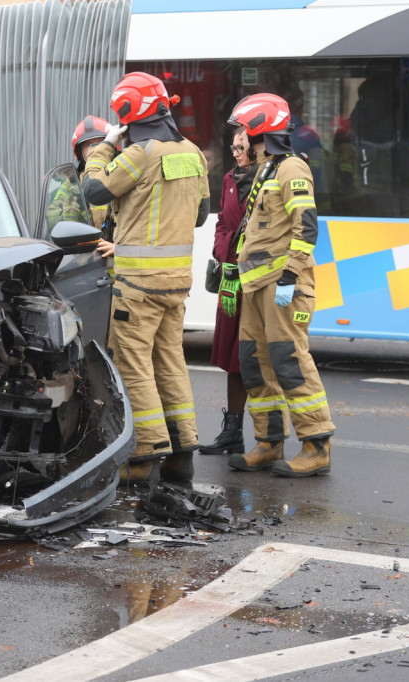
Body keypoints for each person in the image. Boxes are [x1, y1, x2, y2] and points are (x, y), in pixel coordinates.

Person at [82, 72, 209, 485]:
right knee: (171, 362)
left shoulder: (138, 153)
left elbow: (94, 191)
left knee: (134, 365)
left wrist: (104, 145)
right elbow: (203, 214)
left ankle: (146, 454)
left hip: (138, 285)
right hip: (177, 283)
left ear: (126, 113)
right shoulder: (193, 152)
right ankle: (182, 453)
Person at [224, 93, 335, 477]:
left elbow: (306, 226)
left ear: (258, 129)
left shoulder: (291, 169)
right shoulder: (267, 169)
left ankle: (316, 444)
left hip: (283, 284)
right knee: (256, 365)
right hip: (256, 285)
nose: (239, 140)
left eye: (242, 130)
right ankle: (269, 443)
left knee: (289, 361)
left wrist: (290, 273)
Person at [200, 128, 255, 456]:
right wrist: (224, 252)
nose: (236, 153)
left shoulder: (269, 180)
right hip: (232, 282)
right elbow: (222, 222)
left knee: (252, 359)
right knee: (233, 360)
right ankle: (232, 431)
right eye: (233, 147)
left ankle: (268, 438)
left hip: (258, 283)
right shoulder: (230, 180)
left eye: (242, 147)